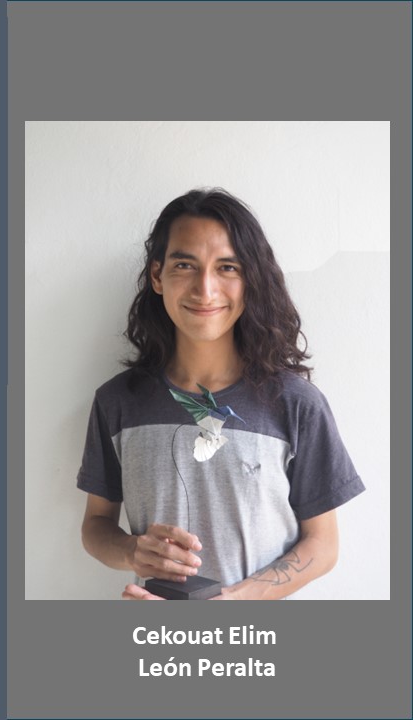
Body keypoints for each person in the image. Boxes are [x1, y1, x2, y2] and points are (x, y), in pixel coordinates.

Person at [78, 189, 364, 599]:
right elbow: (95, 526)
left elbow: (323, 545)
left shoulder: (297, 404)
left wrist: (235, 601)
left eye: (227, 267)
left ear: (251, 279)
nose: (205, 289)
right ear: (157, 276)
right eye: (184, 265)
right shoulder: (117, 401)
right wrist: (131, 550)